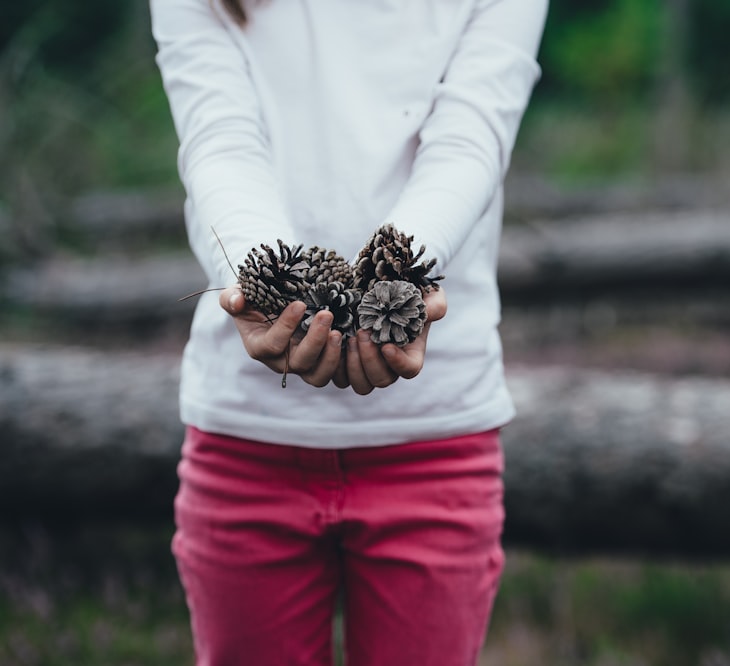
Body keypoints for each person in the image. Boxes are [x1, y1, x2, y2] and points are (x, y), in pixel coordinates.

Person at [149, 0, 547, 663]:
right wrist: (262, 281)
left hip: (436, 439)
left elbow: (471, 136)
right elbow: (219, 137)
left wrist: (401, 273)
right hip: (245, 444)